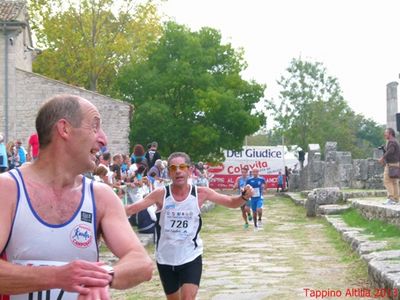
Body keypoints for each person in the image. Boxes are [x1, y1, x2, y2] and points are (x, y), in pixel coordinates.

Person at [0, 94, 153, 299]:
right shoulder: (8, 189)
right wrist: (56, 277)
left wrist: (104, 277)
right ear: (64, 129)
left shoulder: (101, 196)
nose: (103, 139)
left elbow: (142, 262)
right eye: (95, 127)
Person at [125, 152, 253, 300]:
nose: (178, 171)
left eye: (182, 167)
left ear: (190, 170)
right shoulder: (160, 194)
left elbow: (231, 202)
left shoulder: (201, 193)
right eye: (173, 168)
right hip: (166, 258)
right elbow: (131, 209)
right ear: (169, 172)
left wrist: (244, 197)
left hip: (191, 255)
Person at [378, 127, 400, 205]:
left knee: (387, 181)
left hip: (391, 165)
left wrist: (382, 158)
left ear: (390, 133)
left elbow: (391, 151)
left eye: (386, 133)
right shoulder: (394, 141)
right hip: (396, 164)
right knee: (394, 182)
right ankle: (396, 199)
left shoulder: (391, 142)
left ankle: (391, 198)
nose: (385, 134)